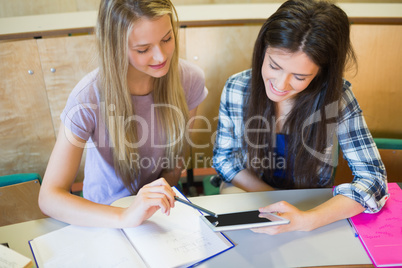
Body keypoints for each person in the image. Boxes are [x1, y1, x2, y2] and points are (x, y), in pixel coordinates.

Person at [212, 0, 388, 235]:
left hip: (309, 201)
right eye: (274, 66)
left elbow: (373, 178)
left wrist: (307, 220)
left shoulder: (338, 98)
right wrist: (276, 199)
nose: (280, 85)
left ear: (321, 73)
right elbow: (225, 159)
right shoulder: (237, 88)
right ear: (264, 49)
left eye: (299, 76)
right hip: (247, 191)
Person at [38, 0, 207, 228]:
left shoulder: (190, 79)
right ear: (115, 46)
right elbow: (49, 198)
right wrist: (125, 216)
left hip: (158, 214)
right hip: (103, 216)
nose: (161, 57)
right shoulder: (87, 96)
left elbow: (175, 163)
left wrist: (155, 197)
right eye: (143, 49)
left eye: (167, 38)